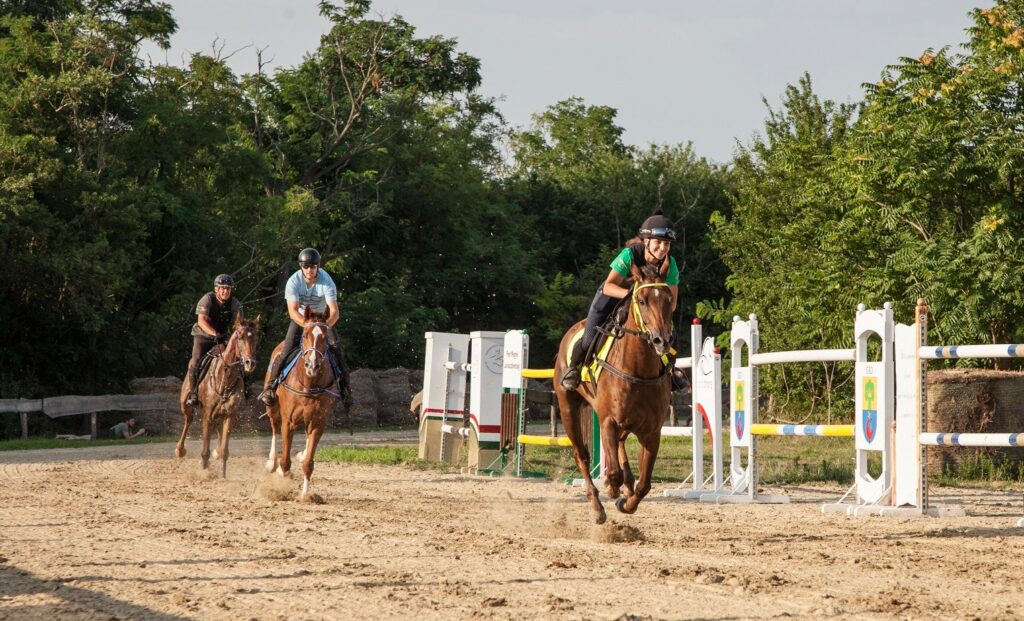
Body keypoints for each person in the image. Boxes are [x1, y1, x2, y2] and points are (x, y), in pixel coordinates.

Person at [560, 211, 683, 391]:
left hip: (649, 305)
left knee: (671, 337)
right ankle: (574, 368)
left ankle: (672, 373)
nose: (663, 248)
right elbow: (609, 286)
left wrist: (661, 315)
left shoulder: (670, 264)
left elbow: (672, 303)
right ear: (646, 241)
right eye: (658, 242)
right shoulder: (629, 255)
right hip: (613, 296)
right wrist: (633, 295)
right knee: (588, 339)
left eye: (667, 244)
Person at [258, 248, 349, 405]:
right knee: (286, 349)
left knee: (336, 348)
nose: (309, 270)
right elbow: (292, 312)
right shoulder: (293, 281)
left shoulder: (327, 281)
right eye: (306, 266)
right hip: (301, 319)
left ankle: (345, 390)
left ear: (317, 266)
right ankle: (270, 387)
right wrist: (308, 326)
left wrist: (323, 327)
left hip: (322, 321)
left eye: (313, 267)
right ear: (301, 266)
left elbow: (334, 312)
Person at [185, 274, 244, 407]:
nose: (225, 291)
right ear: (216, 289)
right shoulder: (207, 299)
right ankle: (194, 393)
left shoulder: (235, 304)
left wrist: (238, 335)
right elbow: (201, 321)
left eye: (228, 288)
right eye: (222, 288)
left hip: (221, 337)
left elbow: (239, 324)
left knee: (237, 359)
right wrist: (214, 333)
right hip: (203, 336)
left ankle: (244, 389)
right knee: (196, 360)